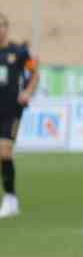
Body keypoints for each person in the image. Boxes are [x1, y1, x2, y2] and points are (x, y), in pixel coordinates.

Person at [0, 13, 39, 219]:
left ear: (7, 28)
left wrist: (27, 92)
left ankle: (10, 198)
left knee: (4, 152)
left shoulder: (18, 52)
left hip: (11, 111)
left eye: (2, 25)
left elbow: (34, 72)